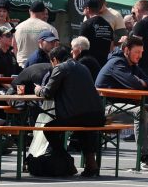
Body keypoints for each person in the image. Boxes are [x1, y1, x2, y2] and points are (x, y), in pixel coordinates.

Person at [95, 35, 148, 170]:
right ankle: (143, 157)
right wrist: (141, 83)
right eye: (137, 52)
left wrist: (142, 82)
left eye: (141, 52)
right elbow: (135, 85)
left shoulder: (133, 65)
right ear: (126, 50)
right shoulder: (116, 64)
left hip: (124, 107)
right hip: (105, 110)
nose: (140, 56)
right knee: (140, 112)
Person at [35, 46, 105, 177]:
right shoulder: (83, 67)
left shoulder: (60, 68)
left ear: (55, 60)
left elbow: (47, 92)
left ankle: (67, 161)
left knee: (49, 129)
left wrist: (38, 90)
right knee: (83, 129)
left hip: (75, 115)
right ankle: (91, 165)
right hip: (97, 115)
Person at [14, 0, 58, 67]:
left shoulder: (17, 28)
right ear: (43, 12)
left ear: (29, 11)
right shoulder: (50, 28)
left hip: (22, 66)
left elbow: (14, 49)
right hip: (42, 67)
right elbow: (56, 50)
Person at [80, 0, 114, 66]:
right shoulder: (108, 25)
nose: (83, 12)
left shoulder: (86, 24)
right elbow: (111, 47)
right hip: (104, 65)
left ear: (87, 9)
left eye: (83, 9)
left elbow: (80, 46)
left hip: (88, 65)